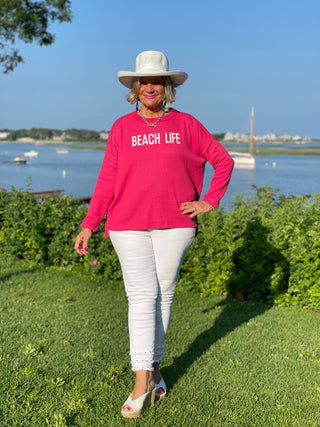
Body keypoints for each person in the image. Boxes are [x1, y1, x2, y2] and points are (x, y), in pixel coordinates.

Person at [74, 50, 234, 418]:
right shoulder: (121, 128)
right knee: (142, 297)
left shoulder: (188, 125)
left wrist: (209, 201)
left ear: (167, 88)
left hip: (176, 226)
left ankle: (156, 372)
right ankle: (142, 381)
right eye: (143, 81)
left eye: (156, 82)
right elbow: (107, 180)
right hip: (127, 224)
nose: (149, 87)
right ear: (134, 88)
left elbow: (223, 160)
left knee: (163, 298)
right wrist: (90, 223)